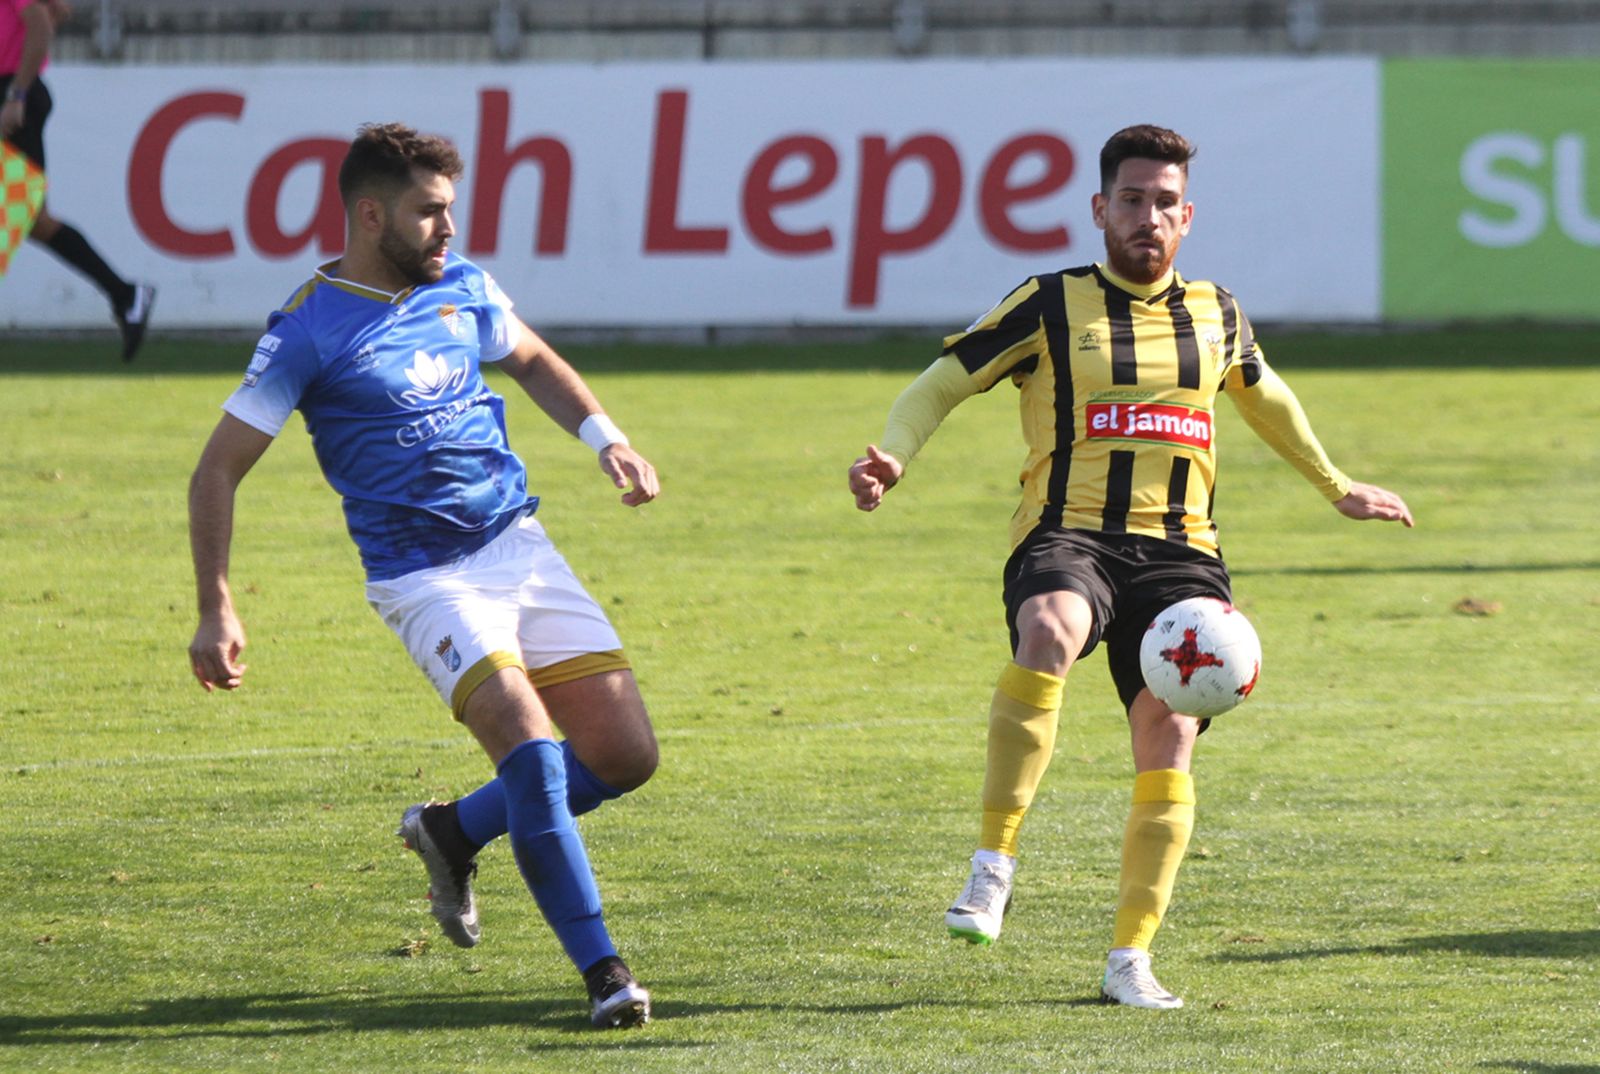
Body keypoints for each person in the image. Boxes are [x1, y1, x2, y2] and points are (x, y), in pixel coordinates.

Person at [847, 124, 1413, 1010]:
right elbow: (944, 378)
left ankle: (1129, 962)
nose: (1148, 217)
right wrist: (895, 454)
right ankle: (993, 863)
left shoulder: (1217, 312)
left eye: (1164, 204)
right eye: (1132, 200)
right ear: (1100, 209)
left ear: (1187, 217)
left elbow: (1269, 399)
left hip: (1182, 559)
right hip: (1069, 533)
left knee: (1170, 732)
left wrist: (1336, 486)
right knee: (1048, 628)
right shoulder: (1049, 302)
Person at [187, 123, 662, 1029]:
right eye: (430, 211)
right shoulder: (306, 332)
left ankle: (449, 830)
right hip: (423, 578)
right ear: (372, 215)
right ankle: (604, 972)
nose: (449, 228)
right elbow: (215, 469)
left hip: (518, 545)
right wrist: (216, 604)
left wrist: (608, 440)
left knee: (624, 757)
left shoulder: (461, 286)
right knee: (529, 749)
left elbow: (530, 359)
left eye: (450, 208)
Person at [1, 0, 153, 358]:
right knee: (35, 222)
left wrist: (17, 95)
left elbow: (41, 26)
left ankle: (126, 294)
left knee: (20, 219)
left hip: (11, 95)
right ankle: (126, 294)